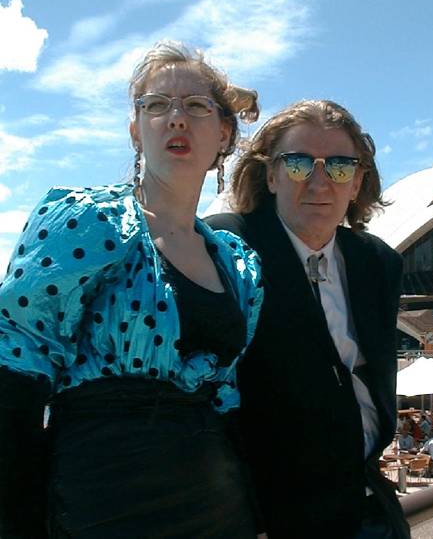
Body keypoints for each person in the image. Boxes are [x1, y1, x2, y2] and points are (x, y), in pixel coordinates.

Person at [0, 41, 263, 538]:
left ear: (224, 133)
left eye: (196, 106)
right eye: (157, 105)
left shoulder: (236, 263)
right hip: (101, 502)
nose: (176, 118)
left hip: (217, 506)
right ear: (136, 130)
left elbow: (229, 403)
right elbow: (15, 366)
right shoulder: (88, 223)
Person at [207, 99, 410, 538]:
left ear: (357, 183)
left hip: (370, 507)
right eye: (299, 163)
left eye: (339, 166)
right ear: (271, 176)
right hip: (273, 518)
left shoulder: (376, 263)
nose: (320, 181)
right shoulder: (227, 246)